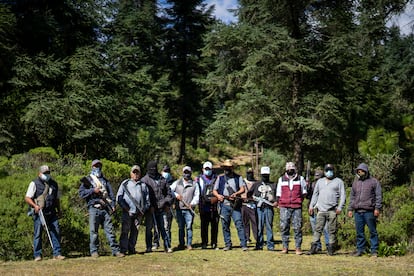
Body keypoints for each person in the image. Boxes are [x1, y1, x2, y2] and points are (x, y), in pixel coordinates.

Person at [78, 159, 124, 258]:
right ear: (92, 167)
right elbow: (81, 193)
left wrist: (113, 205)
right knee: (93, 231)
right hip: (93, 208)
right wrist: (93, 190)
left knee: (110, 230)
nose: (97, 167)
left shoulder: (105, 180)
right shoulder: (88, 180)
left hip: (105, 208)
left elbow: (111, 194)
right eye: (95, 166)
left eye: (99, 166)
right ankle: (94, 251)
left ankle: (115, 251)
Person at [25, 165, 65, 261]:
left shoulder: (54, 184)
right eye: (44, 173)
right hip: (40, 212)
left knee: (56, 231)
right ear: (39, 173)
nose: (47, 175)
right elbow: (27, 197)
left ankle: (57, 253)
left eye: (48, 173)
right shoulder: (34, 183)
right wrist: (35, 206)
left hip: (52, 212)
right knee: (38, 234)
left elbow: (57, 199)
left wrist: (59, 210)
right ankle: (37, 255)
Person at [307, 164, 346, 256]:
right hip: (321, 210)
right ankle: (313, 248)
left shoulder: (339, 181)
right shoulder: (320, 182)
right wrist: (311, 206)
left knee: (332, 230)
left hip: (332, 210)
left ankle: (331, 249)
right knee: (317, 229)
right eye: (327, 170)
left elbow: (343, 195)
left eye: (331, 170)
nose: (329, 172)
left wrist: (340, 207)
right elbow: (315, 195)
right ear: (324, 172)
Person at [212, 159, 248, 251]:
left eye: (228, 167)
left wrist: (236, 194)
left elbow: (242, 189)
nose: (227, 169)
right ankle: (228, 244)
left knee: (239, 224)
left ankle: (243, 244)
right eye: (225, 167)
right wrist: (218, 196)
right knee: (225, 225)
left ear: (232, 168)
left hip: (235, 205)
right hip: (224, 204)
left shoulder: (238, 177)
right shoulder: (220, 178)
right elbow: (214, 190)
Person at [348, 163, 382, 257]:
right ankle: (360, 250)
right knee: (359, 232)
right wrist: (350, 209)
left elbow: (378, 196)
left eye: (362, 171)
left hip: (369, 211)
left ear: (366, 171)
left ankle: (374, 250)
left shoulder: (374, 182)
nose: (360, 172)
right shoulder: (356, 183)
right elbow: (352, 197)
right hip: (358, 212)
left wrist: (377, 208)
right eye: (359, 171)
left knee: (372, 231)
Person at [116, 165, 150, 255]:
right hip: (127, 212)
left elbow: (147, 201)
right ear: (131, 173)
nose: (135, 174)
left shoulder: (143, 186)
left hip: (138, 213)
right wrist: (125, 208)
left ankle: (131, 249)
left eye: (137, 172)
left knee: (135, 231)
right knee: (125, 231)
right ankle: (123, 249)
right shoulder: (125, 183)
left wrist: (143, 210)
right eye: (134, 172)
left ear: (140, 173)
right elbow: (119, 198)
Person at [141, 160, 173, 253]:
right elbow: (143, 196)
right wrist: (149, 206)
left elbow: (169, 193)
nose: (153, 170)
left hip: (162, 208)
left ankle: (167, 246)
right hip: (150, 209)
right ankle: (149, 246)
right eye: (151, 168)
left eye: (155, 168)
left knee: (164, 228)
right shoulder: (144, 180)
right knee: (149, 229)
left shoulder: (162, 178)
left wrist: (167, 203)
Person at [276, 161, 307, 255]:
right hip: (284, 206)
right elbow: (278, 194)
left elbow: (304, 193)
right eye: (288, 169)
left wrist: (298, 200)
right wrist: (280, 203)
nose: (290, 170)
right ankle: (285, 247)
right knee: (284, 226)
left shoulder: (300, 179)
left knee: (297, 227)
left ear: (294, 169)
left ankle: (298, 248)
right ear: (286, 169)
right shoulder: (281, 179)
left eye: (291, 169)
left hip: (296, 206)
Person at [170, 165, 200, 250]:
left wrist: (192, 203)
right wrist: (176, 195)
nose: (186, 174)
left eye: (188, 172)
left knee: (189, 227)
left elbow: (197, 196)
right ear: (183, 173)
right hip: (179, 209)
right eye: (185, 172)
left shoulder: (195, 184)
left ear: (190, 173)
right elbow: (170, 190)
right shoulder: (177, 182)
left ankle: (189, 244)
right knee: (181, 227)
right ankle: (181, 244)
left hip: (189, 209)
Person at [196, 161, 219, 249]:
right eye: (206, 169)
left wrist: (216, 198)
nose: (207, 171)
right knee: (204, 226)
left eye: (209, 169)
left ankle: (214, 242)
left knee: (215, 225)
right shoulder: (198, 179)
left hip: (214, 205)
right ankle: (204, 243)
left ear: (212, 169)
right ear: (203, 169)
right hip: (203, 205)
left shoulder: (217, 178)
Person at [254, 166, 278, 251]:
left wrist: (276, 201)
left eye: (266, 175)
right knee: (259, 227)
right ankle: (259, 244)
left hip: (269, 208)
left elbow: (278, 195)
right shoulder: (256, 184)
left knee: (269, 226)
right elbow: (250, 194)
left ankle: (270, 245)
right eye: (264, 175)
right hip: (259, 208)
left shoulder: (273, 184)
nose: (265, 176)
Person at [306, 169, 329, 252]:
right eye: (316, 178)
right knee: (315, 229)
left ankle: (328, 246)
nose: (317, 180)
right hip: (313, 210)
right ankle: (317, 246)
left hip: (323, 210)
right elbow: (307, 197)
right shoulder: (311, 185)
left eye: (319, 178)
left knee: (326, 229)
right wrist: (307, 187)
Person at [152, 165, 175, 250]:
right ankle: (156, 243)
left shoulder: (172, 182)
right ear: (161, 171)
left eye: (168, 171)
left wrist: (168, 204)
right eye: (165, 171)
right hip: (157, 207)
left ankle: (167, 244)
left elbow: (170, 195)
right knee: (156, 226)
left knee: (166, 227)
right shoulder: (159, 180)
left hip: (167, 207)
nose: (166, 173)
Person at [241, 167, 258, 245]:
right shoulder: (242, 181)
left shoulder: (256, 183)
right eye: (248, 173)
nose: (250, 175)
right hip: (243, 205)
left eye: (251, 173)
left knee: (255, 222)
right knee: (245, 222)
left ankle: (257, 238)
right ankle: (247, 238)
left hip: (253, 205)